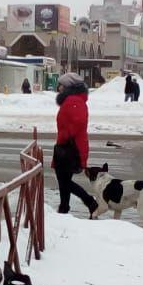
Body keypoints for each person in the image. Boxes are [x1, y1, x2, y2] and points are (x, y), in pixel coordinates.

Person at [52, 72, 100, 217]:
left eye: (60, 85)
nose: (58, 87)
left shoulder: (73, 101)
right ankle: (64, 207)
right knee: (64, 179)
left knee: (64, 180)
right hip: (69, 146)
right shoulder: (73, 99)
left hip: (69, 147)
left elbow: (76, 123)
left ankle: (90, 202)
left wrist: (65, 136)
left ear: (67, 86)